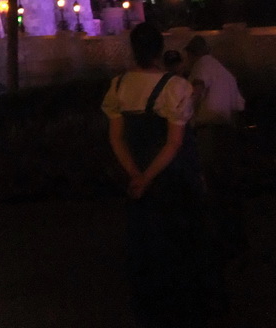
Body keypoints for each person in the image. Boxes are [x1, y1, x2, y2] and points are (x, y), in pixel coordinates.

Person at [103, 22, 224, 328]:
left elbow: (116, 138)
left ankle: (150, 309)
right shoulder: (175, 87)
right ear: (159, 49)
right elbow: (174, 143)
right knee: (179, 244)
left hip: (137, 174)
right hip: (171, 176)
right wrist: (150, 177)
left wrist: (135, 175)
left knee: (146, 245)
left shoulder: (118, 86)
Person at [185, 35, 246, 259]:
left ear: (193, 54)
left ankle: (216, 241)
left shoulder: (202, 65)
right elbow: (239, 106)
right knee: (229, 185)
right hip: (228, 132)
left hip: (208, 131)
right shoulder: (226, 73)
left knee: (211, 184)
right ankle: (236, 239)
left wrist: (183, 115)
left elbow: (197, 91)